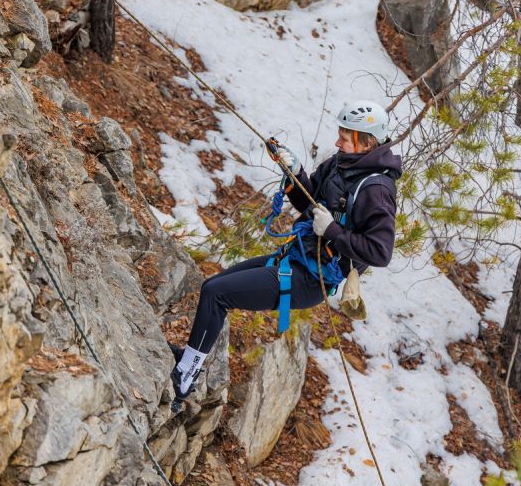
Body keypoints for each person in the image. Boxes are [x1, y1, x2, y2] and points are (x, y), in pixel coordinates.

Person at [169, 100, 402, 413]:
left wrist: (332, 231)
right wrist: (293, 172)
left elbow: (380, 252)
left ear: (366, 142)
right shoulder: (341, 164)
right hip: (296, 259)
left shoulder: (376, 189)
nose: (337, 142)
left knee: (216, 294)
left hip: (311, 279)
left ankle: (185, 378)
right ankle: (189, 361)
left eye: (345, 137)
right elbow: (308, 199)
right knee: (214, 285)